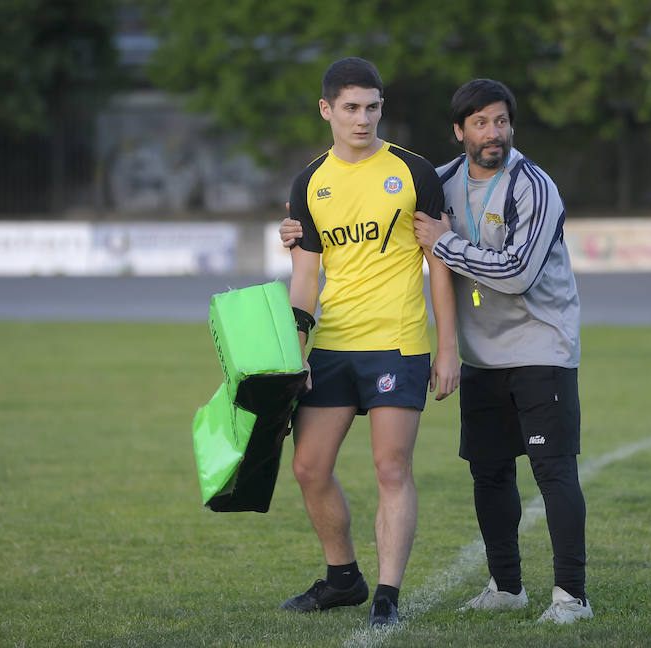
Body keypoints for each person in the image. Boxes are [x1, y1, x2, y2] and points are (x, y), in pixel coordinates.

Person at [280, 78, 592, 624]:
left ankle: (571, 595)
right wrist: (296, 232)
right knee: (490, 472)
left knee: (552, 471)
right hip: (479, 355)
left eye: (500, 122)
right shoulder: (437, 178)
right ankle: (505, 587)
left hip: (539, 346)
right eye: (480, 123)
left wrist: (443, 251)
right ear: (460, 131)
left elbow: (511, 273)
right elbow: (325, 250)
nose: (492, 133)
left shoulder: (529, 185)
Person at [281, 57, 459, 628]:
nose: (363, 119)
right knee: (308, 468)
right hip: (332, 344)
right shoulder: (310, 182)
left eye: (373, 107)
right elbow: (305, 278)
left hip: (398, 343)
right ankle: (343, 579)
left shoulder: (414, 172)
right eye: (352, 108)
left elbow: (440, 266)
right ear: (327, 109)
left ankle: (387, 594)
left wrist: (447, 348)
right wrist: (295, 355)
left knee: (391, 468)